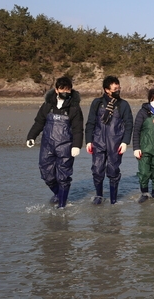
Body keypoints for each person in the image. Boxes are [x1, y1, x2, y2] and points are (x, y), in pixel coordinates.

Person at [26, 77, 83, 209]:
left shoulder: (74, 108)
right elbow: (39, 122)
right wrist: (31, 137)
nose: (65, 91)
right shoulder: (48, 105)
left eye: (68, 89)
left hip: (66, 147)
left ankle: (62, 206)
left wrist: (76, 145)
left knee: (63, 177)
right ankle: (59, 194)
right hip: (47, 146)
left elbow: (78, 129)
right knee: (47, 175)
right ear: (56, 90)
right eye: (62, 89)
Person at [85, 76, 133, 205]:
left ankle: (113, 199)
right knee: (97, 170)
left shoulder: (123, 104)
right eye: (115, 88)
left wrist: (125, 142)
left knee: (113, 171)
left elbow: (129, 124)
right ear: (107, 90)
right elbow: (90, 122)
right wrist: (88, 140)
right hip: (98, 141)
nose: (118, 90)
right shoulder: (97, 103)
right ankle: (99, 195)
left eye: (119, 88)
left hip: (116, 143)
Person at [132, 88, 154, 203]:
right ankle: (144, 193)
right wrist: (136, 148)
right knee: (144, 172)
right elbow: (136, 130)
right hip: (144, 149)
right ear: (149, 100)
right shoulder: (143, 112)